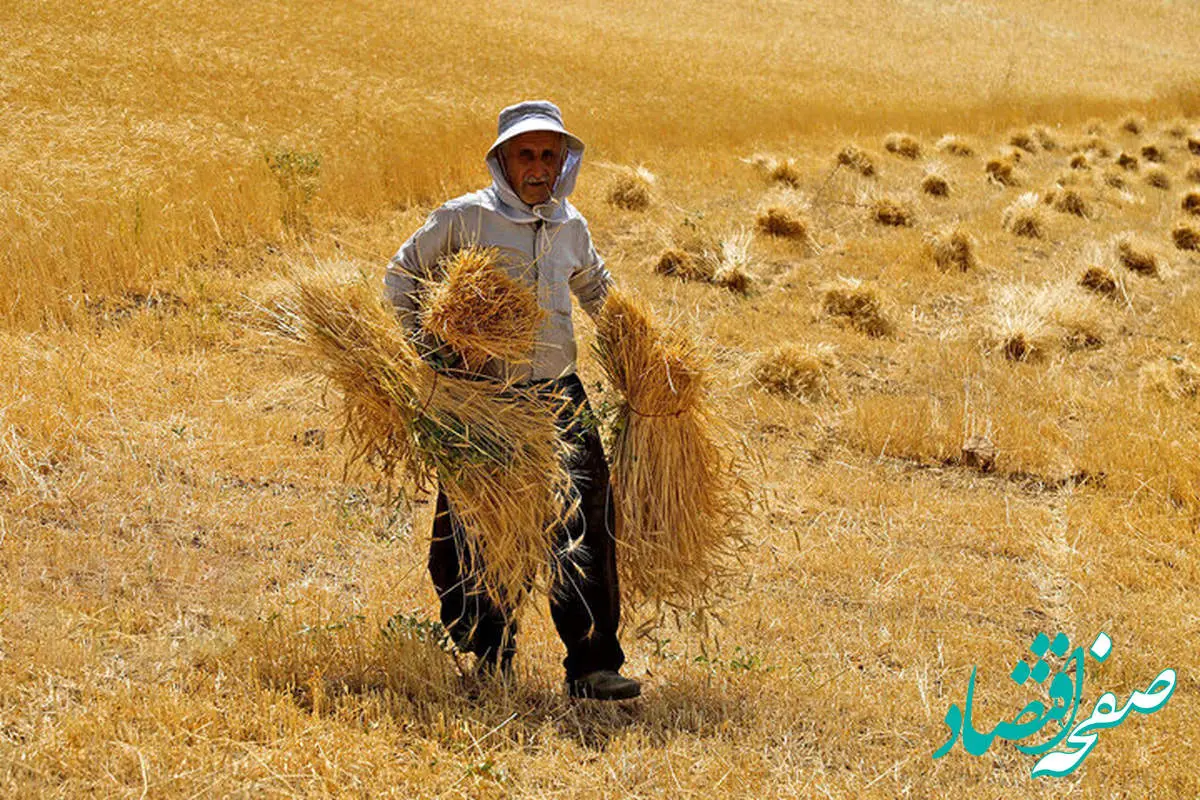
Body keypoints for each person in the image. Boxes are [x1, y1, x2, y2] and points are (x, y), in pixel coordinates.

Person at [383, 100, 640, 701]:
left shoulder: (571, 225)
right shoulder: (465, 219)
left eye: (550, 155)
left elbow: (599, 290)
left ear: (563, 162)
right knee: (478, 526)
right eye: (526, 154)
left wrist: (640, 352)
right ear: (502, 159)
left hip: (559, 397)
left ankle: (593, 663)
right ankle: (487, 652)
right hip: (485, 399)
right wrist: (433, 352)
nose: (539, 167)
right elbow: (401, 276)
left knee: (585, 522)